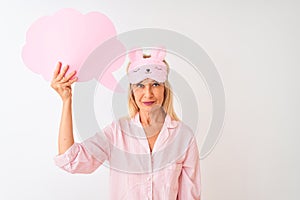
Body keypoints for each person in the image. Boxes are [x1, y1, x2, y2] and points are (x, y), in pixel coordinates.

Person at [51, 47, 201, 199]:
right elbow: (71, 160)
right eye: (140, 85)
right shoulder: (117, 133)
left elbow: (190, 196)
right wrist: (66, 100)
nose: (148, 93)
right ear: (132, 91)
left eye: (155, 84)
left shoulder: (184, 137)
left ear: (165, 89)